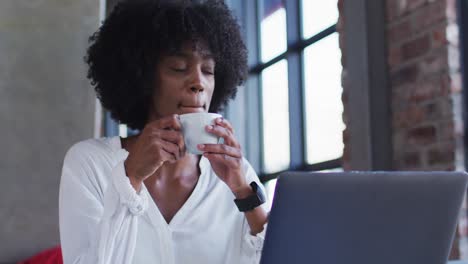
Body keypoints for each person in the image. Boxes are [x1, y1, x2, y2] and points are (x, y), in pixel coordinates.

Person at [58, 0, 269, 263]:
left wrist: (243, 192)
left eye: (208, 70)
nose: (198, 83)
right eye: (178, 68)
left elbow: (276, 256)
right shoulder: (90, 162)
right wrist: (130, 178)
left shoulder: (237, 176)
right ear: (143, 77)